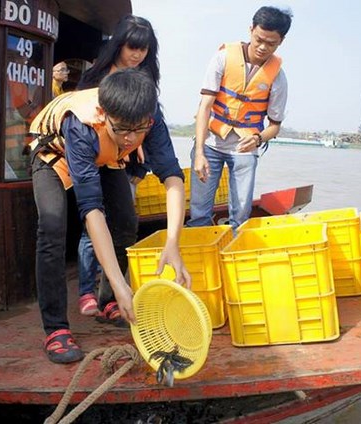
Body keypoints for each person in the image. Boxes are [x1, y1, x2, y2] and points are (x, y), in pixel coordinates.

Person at [29, 68, 191, 364]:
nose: (132, 139)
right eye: (124, 129)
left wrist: (173, 243)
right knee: (52, 229)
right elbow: (91, 209)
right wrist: (121, 282)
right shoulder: (81, 124)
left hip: (106, 156)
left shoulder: (148, 116)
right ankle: (55, 328)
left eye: (139, 130)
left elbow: (172, 177)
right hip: (54, 156)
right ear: (104, 115)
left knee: (126, 224)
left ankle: (107, 301)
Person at [75, 14, 158, 317]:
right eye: (131, 47)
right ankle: (86, 289)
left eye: (143, 49)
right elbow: (79, 118)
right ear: (118, 45)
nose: (137, 55)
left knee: (124, 224)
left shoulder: (146, 81)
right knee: (91, 222)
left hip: (121, 162)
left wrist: (138, 155)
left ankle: (109, 295)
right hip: (90, 156)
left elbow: (150, 128)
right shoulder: (95, 78)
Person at [188, 6, 292, 231]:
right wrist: (199, 153)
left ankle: (235, 249)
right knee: (199, 213)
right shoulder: (223, 58)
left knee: (241, 215)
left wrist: (258, 139)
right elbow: (205, 106)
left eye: (271, 43)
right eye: (259, 39)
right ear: (251, 29)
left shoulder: (278, 77)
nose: (263, 47)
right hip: (210, 142)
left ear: (281, 41)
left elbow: (274, 126)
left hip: (245, 148)